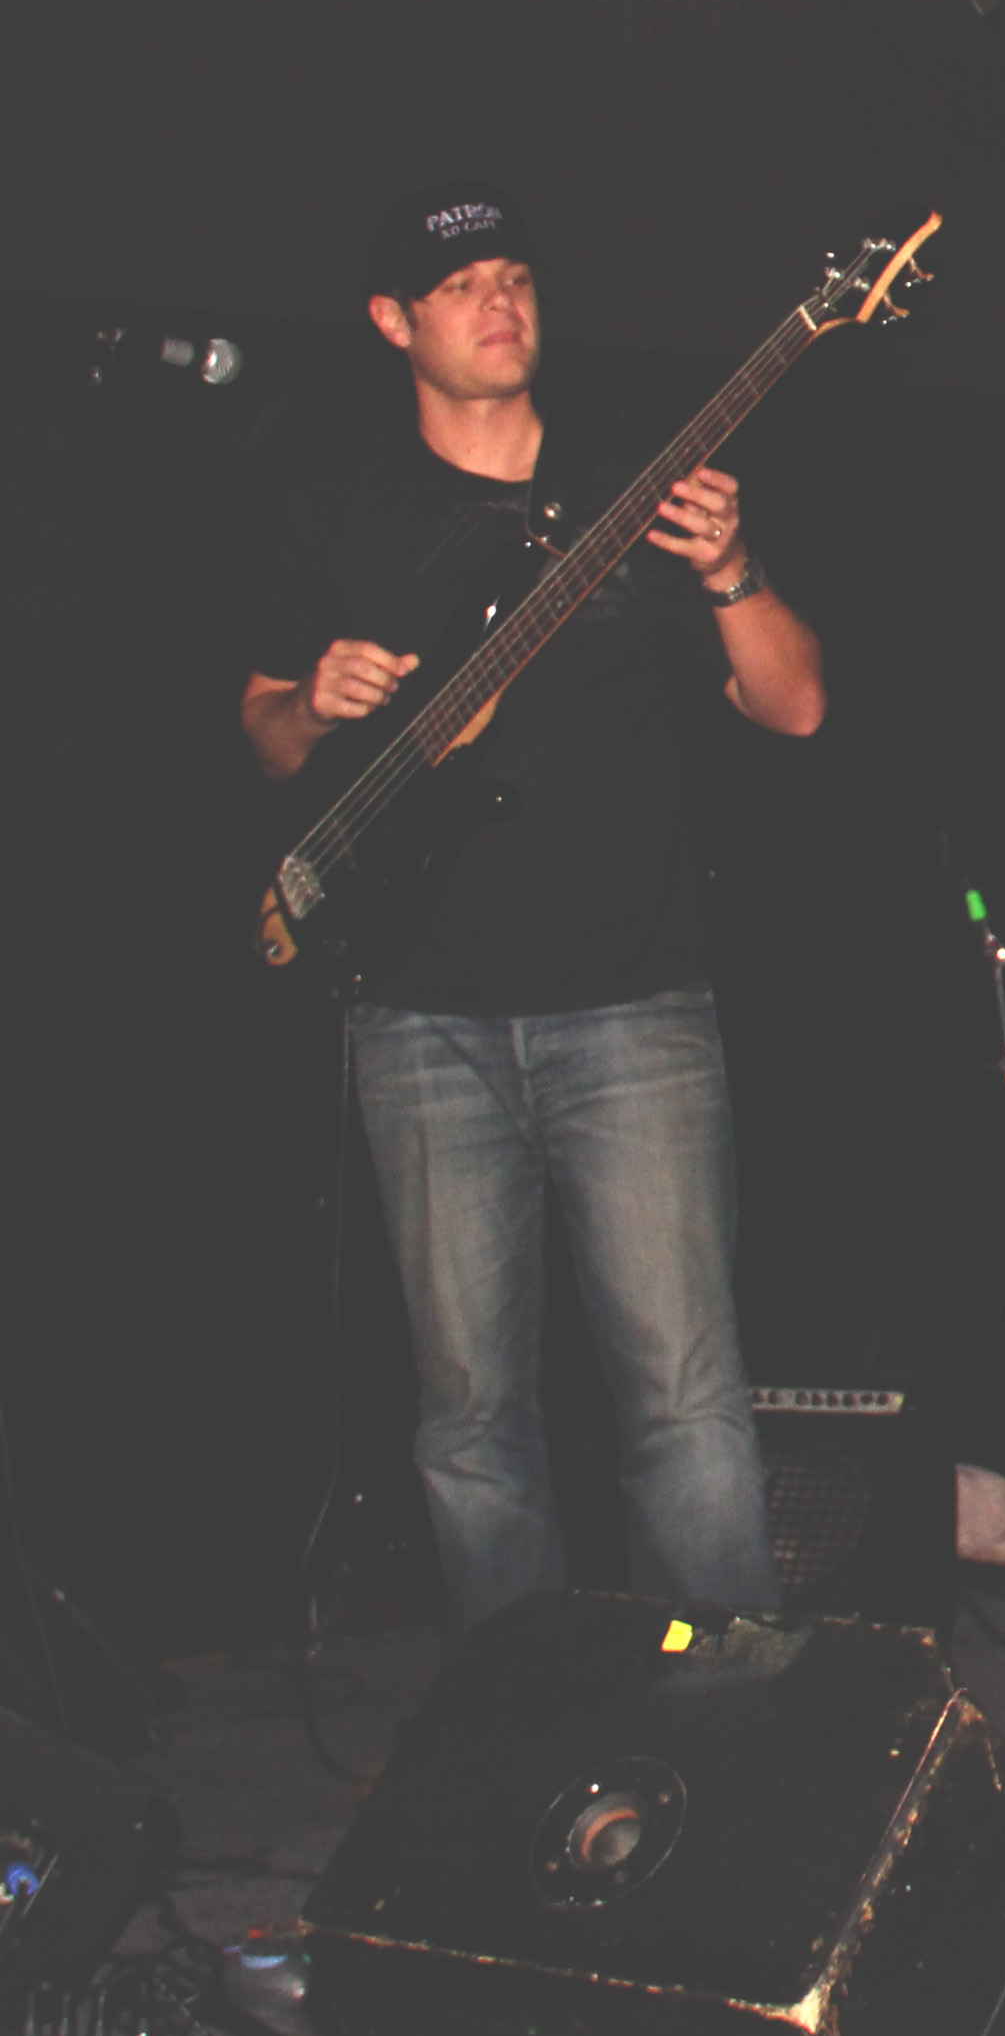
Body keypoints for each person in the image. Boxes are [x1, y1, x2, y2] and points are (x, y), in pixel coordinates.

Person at [242, 191, 825, 1633]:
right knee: (468, 1420)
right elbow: (262, 733)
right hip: (419, 1017)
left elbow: (795, 706)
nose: (500, 302)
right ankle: (515, 1722)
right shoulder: (331, 502)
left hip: (635, 1010)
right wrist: (311, 700)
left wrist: (732, 568)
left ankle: (729, 1716)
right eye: (461, 285)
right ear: (393, 322)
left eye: (514, 276)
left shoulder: (636, 489)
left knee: (684, 1403)